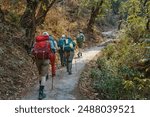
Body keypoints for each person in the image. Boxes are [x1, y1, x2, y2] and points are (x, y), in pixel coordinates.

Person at [32, 32, 53, 100]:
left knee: (40, 74)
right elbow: (52, 50)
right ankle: (41, 93)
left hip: (37, 60)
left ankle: (40, 87)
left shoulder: (36, 43)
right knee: (44, 76)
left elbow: (32, 51)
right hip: (45, 60)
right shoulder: (48, 42)